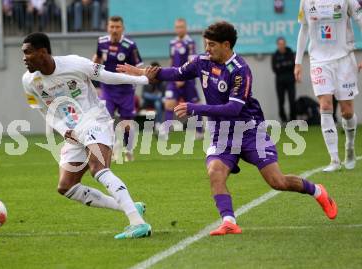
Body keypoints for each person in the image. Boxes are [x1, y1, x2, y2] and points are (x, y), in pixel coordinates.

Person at [118, 21, 337, 236]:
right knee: (215, 171)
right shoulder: (202, 61)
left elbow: (233, 108)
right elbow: (175, 73)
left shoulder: (240, 70)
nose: (207, 48)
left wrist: (195, 108)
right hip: (222, 134)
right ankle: (229, 221)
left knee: (277, 182)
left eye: (212, 44)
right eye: (206, 43)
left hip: (249, 131)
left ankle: (318, 191)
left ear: (226, 44)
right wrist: (143, 73)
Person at [21, 32, 152, 239]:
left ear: (42, 52)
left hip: (94, 120)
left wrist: (143, 79)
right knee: (66, 187)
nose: (24, 57)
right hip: (72, 132)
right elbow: (43, 110)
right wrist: (63, 129)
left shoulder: (74, 63)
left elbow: (108, 76)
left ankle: (138, 223)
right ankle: (130, 206)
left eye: (28, 52)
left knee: (98, 169)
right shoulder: (29, 81)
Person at [294, 0, 361, 172]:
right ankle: (334, 159)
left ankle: (350, 146)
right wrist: (298, 62)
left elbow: (360, 20)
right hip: (319, 62)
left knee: (347, 111)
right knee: (325, 106)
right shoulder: (306, 2)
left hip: (344, 59)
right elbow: (304, 29)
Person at [93, 15, 143, 162]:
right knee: (106, 120)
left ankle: (129, 149)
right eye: (112, 27)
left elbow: (139, 67)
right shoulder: (101, 42)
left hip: (126, 89)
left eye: (117, 27)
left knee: (126, 124)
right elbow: (97, 58)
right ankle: (113, 149)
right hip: (107, 88)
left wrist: (131, 74)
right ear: (108, 28)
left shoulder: (130, 45)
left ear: (122, 28)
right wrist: (90, 69)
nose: (114, 30)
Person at [161, 18, 203, 139]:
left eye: (181, 27)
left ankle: (199, 131)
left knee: (194, 105)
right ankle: (166, 132)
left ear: (185, 28)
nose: (179, 29)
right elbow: (171, 60)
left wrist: (183, 78)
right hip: (174, 79)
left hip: (188, 79)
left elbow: (192, 61)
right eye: (177, 27)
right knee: (169, 104)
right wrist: (170, 76)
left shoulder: (190, 42)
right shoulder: (172, 43)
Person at [271, 37, 296, 122]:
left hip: (290, 80)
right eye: (280, 44)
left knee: (292, 100)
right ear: (277, 45)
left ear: (285, 44)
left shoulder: (290, 53)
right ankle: (283, 119)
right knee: (281, 101)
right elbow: (275, 69)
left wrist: (282, 65)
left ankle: (293, 118)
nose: (281, 46)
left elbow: (293, 65)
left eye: (283, 44)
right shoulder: (275, 55)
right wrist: (286, 65)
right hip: (280, 81)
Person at [141, 62, 165, 128]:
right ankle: (158, 123)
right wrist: (157, 97)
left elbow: (164, 96)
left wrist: (159, 98)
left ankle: (158, 124)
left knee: (157, 103)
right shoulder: (147, 80)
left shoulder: (163, 82)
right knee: (156, 99)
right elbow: (144, 95)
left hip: (159, 103)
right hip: (148, 102)